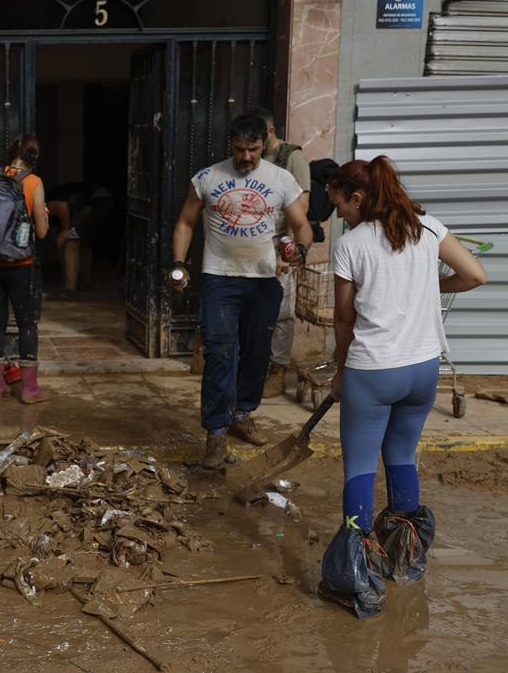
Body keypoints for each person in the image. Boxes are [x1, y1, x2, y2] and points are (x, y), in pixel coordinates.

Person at [320, 156, 486, 618]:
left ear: (357, 198)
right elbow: (476, 275)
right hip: (422, 369)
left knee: (358, 467)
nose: (339, 217)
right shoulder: (427, 227)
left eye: (339, 206)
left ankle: (358, 578)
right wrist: (433, 288)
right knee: (400, 457)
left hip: (374, 371)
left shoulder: (352, 245)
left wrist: (340, 373)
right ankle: (405, 560)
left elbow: (343, 317)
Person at [168, 112, 313, 468]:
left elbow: (302, 226)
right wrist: (178, 263)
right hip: (220, 278)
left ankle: (242, 412)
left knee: (256, 353)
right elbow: (185, 222)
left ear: (265, 143)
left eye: (253, 149)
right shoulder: (208, 177)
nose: (246, 156)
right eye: (239, 149)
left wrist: (299, 251)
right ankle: (215, 434)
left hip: (264, 281)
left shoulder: (281, 179)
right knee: (220, 353)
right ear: (229, 144)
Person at [0, 133, 50, 402]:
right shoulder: (33, 183)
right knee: (27, 323)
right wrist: (44, 216)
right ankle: (29, 390)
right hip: (19, 264)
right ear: (34, 158)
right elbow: (40, 232)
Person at [252, 107, 312, 399]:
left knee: (282, 312)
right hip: (252, 246)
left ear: (270, 132)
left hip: (280, 246)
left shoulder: (292, 158)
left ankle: (278, 371)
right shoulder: (255, 157)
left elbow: (301, 211)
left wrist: (286, 252)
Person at [47, 182, 113, 298]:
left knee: (71, 238)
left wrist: (65, 231)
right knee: (84, 241)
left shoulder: (44, 203)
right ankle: (84, 281)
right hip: (103, 198)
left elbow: (62, 207)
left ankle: (70, 289)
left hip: (95, 200)